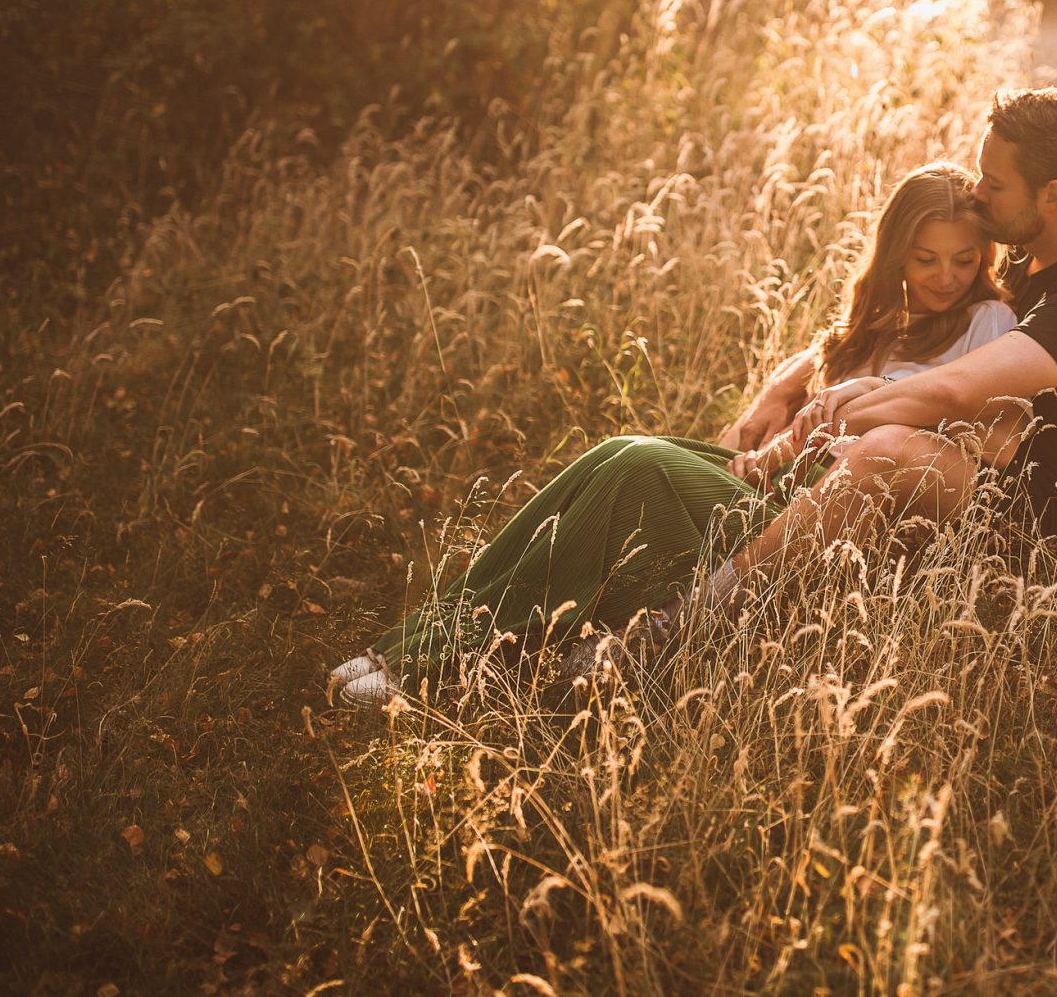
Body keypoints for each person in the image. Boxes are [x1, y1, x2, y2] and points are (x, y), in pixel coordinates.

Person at [330, 162, 1017, 707]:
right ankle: (426, 641)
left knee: (640, 464)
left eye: (963, 259)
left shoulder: (987, 321)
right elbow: (821, 364)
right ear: (898, 253)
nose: (946, 277)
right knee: (616, 453)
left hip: (810, 517)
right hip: (770, 481)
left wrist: (875, 397)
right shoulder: (880, 317)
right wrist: (792, 389)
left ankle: (432, 668)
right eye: (927, 259)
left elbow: (983, 425)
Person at [699, 84, 1057, 594]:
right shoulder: (1025, 256)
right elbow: (897, 324)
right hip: (969, 472)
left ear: (1051, 195)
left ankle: (692, 617)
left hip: (1042, 525)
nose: (978, 191)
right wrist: (786, 388)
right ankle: (699, 533)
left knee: (887, 448)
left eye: (995, 183)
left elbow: (951, 392)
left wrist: (822, 419)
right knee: (760, 436)